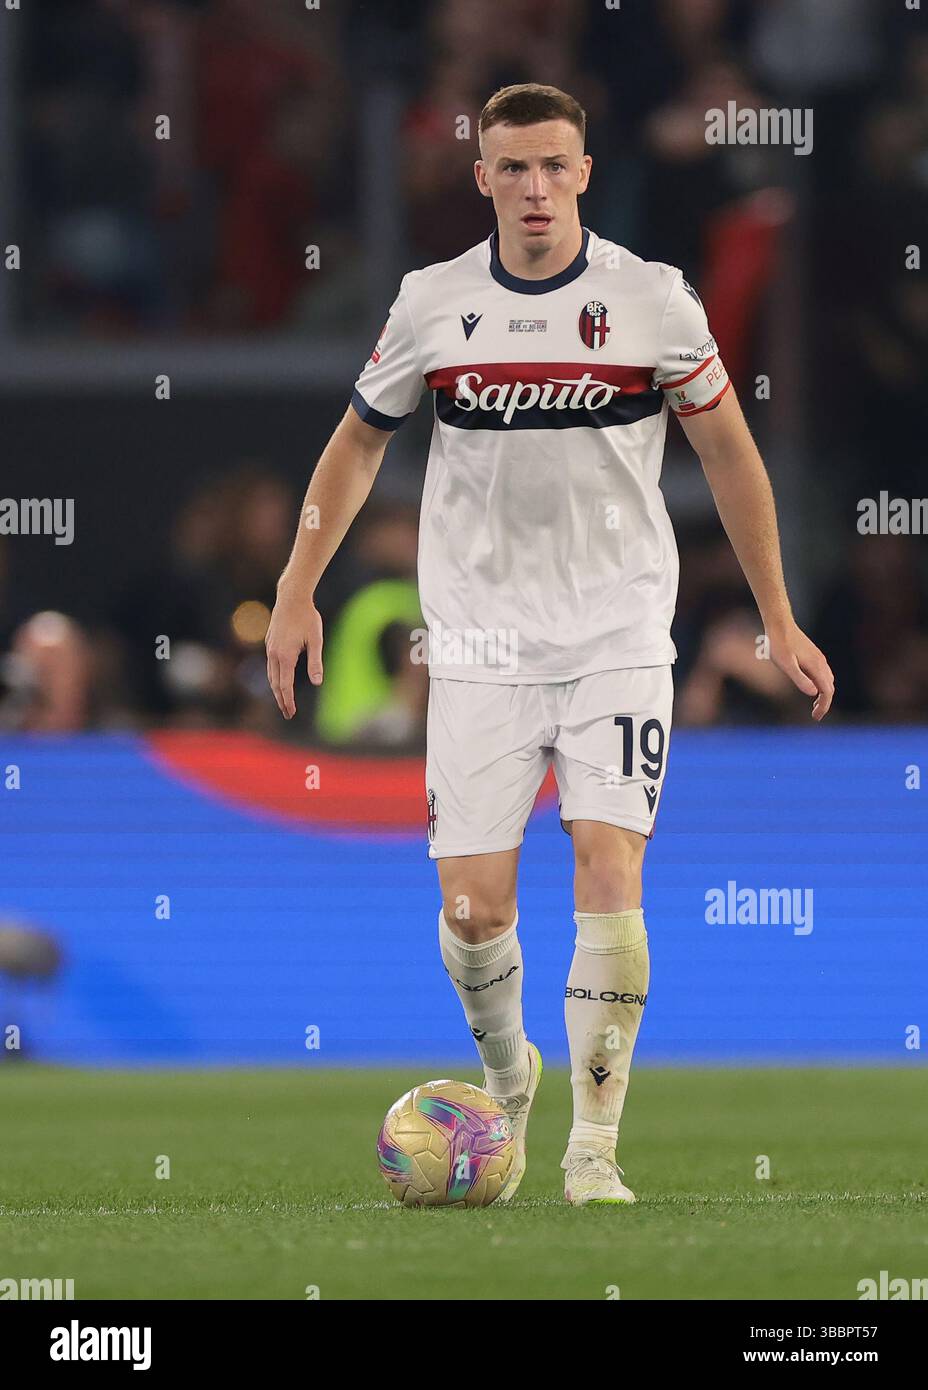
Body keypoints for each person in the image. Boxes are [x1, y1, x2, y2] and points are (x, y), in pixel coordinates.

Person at [265, 83, 834, 1206]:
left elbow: (728, 455)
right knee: (474, 911)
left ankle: (593, 1149)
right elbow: (354, 447)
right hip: (477, 641)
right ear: (480, 179)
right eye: (512, 169)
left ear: (584, 171)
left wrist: (776, 612)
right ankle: (505, 1079)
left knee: (607, 862)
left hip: (620, 630)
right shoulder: (432, 304)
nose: (534, 189)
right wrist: (295, 586)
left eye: (554, 167)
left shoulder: (652, 302)